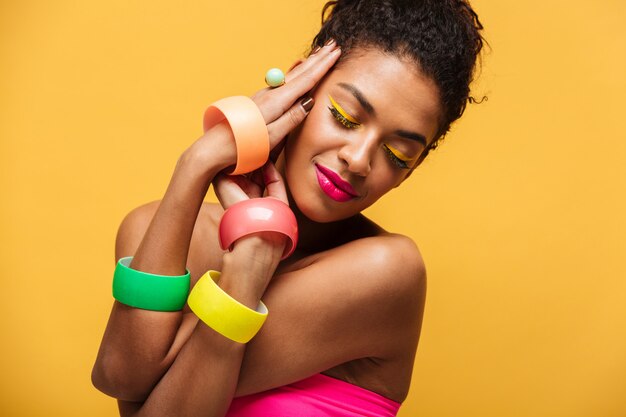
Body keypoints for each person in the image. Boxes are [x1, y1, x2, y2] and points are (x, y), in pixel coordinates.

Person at [92, 0, 486, 416]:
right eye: (346, 116)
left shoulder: (387, 273)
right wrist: (196, 164)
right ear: (300, 86)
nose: (359, 159)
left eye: (398, 153)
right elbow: (119, 376)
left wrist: (248, 267)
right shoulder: (157, 230)